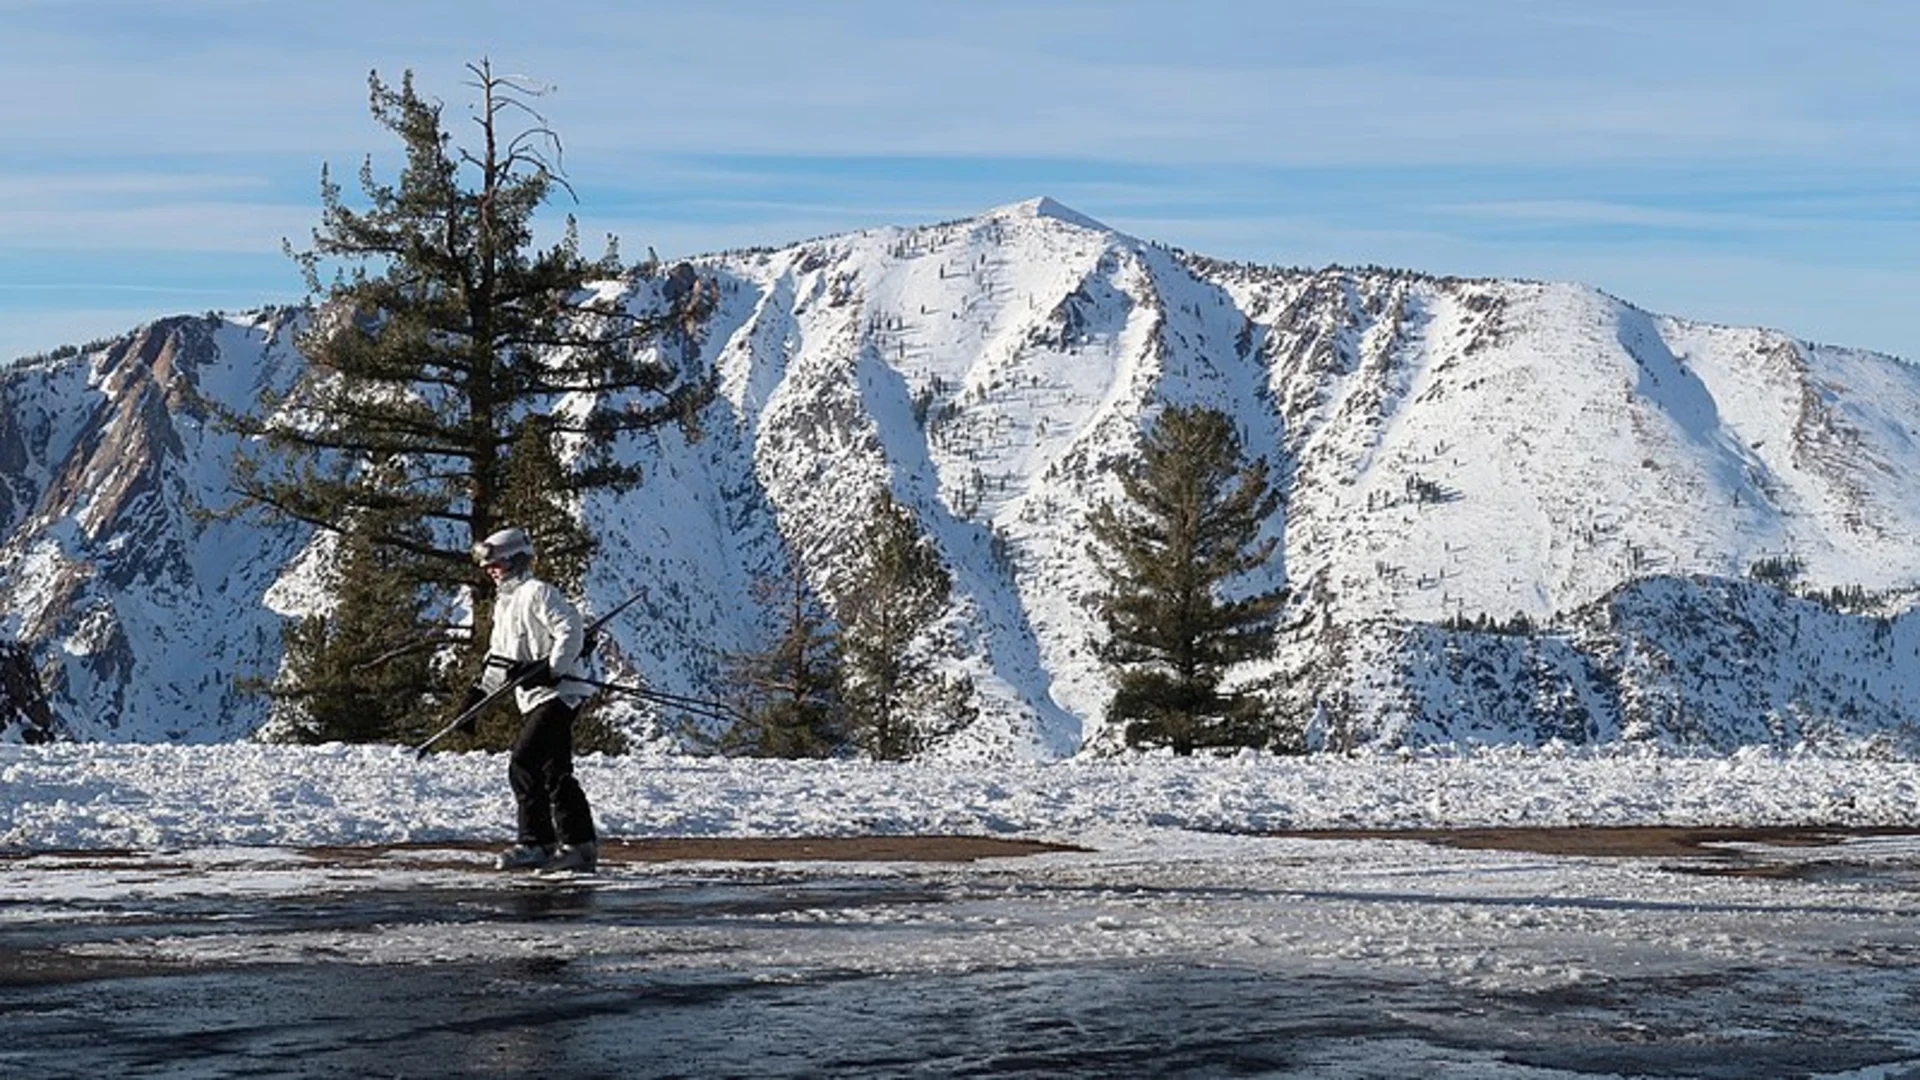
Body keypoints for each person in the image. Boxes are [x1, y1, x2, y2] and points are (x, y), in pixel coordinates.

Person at [459, 526, 600, 873]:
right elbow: (500, 659)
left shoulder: (538, 592)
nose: (491, 571)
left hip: (561, 694)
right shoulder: (505, 605)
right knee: (554, 770)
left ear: (516, 561)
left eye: (497, 565)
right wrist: (477, 698)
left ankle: (538, 842)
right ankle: (573, 846)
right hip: (537, 697)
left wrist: (552, 669)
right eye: (488, 567)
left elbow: (570, 628)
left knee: (524, 761)